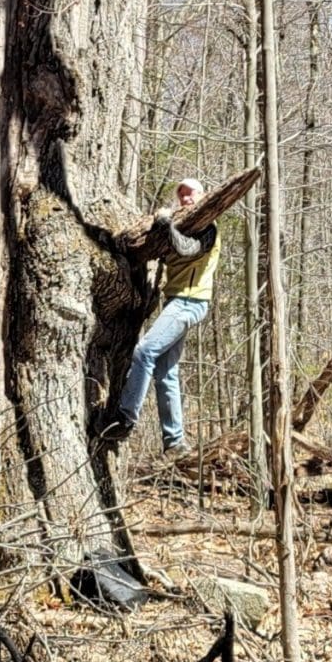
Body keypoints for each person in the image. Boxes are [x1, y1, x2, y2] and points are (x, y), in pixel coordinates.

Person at [107, 174, 220, 454]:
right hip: (175, 302)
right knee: (166, 371)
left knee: (145, 351)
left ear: (203, 196)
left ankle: (125, 418)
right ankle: (174, 441)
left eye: (191, 193)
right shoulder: (183, 225)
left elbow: (186, 248)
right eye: (181, 194)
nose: (186, 198)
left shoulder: (208, 228)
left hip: (189, 302)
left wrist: (166, 225)